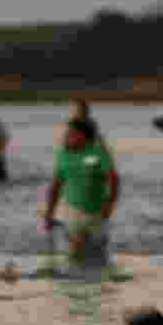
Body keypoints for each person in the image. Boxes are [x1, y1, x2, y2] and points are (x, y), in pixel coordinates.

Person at [43, 111, 120, 266]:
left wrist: (109, 207)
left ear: (83, 136)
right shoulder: (63, 154)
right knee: (76, 252)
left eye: (71, 133)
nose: (66, 136)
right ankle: (75, 282)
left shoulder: (98, 153)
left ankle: (96, 283)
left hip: (97, 214)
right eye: (67, 133)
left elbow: (114, 180)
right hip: (72, 212)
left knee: (99, 257)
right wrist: (49, 213)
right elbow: (55, 186)